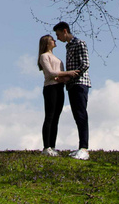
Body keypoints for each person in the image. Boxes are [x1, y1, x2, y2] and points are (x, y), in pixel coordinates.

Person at [53, 22, 91, 160]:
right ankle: (81, 147)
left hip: (80, 84)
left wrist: (71, 75)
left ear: (65, 31)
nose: (57, 38)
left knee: (81, 115)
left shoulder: (79, 43)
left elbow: (85, 64)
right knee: (77, 116)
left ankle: (84, 148)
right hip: (71, 85)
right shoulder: (68, 46)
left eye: (58, 35)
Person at [37, 34, 78, 156]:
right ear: (46, 43)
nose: (55, 41)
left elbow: (58, 74)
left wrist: (65, 78)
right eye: (52, 40)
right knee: (49, 116)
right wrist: (68, 73)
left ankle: (52, 146)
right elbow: (50, 73)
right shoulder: (44, 56)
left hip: (59, 87)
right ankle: (46, 147)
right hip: (50, 88)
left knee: (56, 117)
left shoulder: (56, 58)